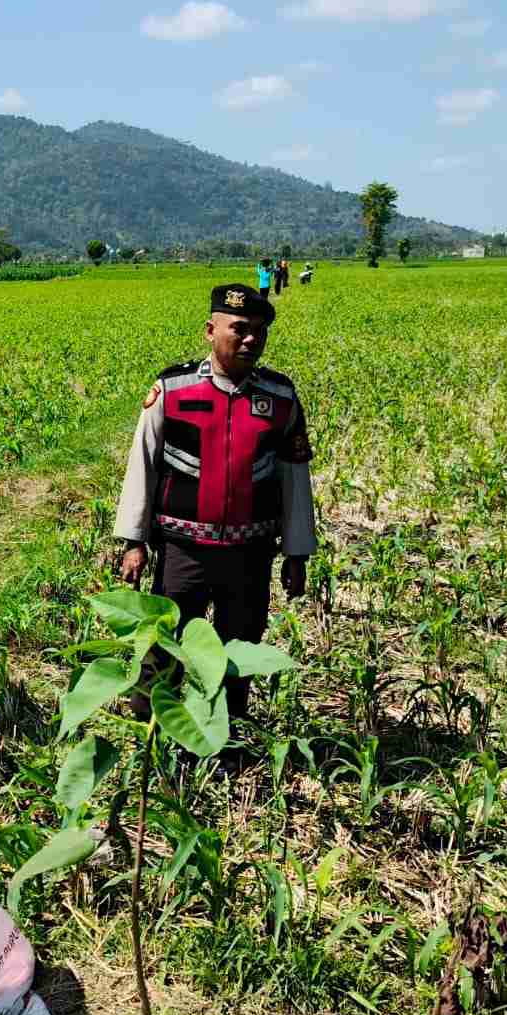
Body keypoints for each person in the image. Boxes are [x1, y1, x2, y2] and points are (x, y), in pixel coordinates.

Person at [114, 283, 316, 721]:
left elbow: (294, 478)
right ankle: (152, 732)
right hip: (182, 551)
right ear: (210, 330)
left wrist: (296, 553)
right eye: (239, 328)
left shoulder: (281, 398)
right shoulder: (174, 388)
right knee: (164, 644)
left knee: (237, 651)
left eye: (259, 331)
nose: (250, 339)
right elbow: (142, 464)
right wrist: (133, 541)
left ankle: (223, 738)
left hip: (250, 553)